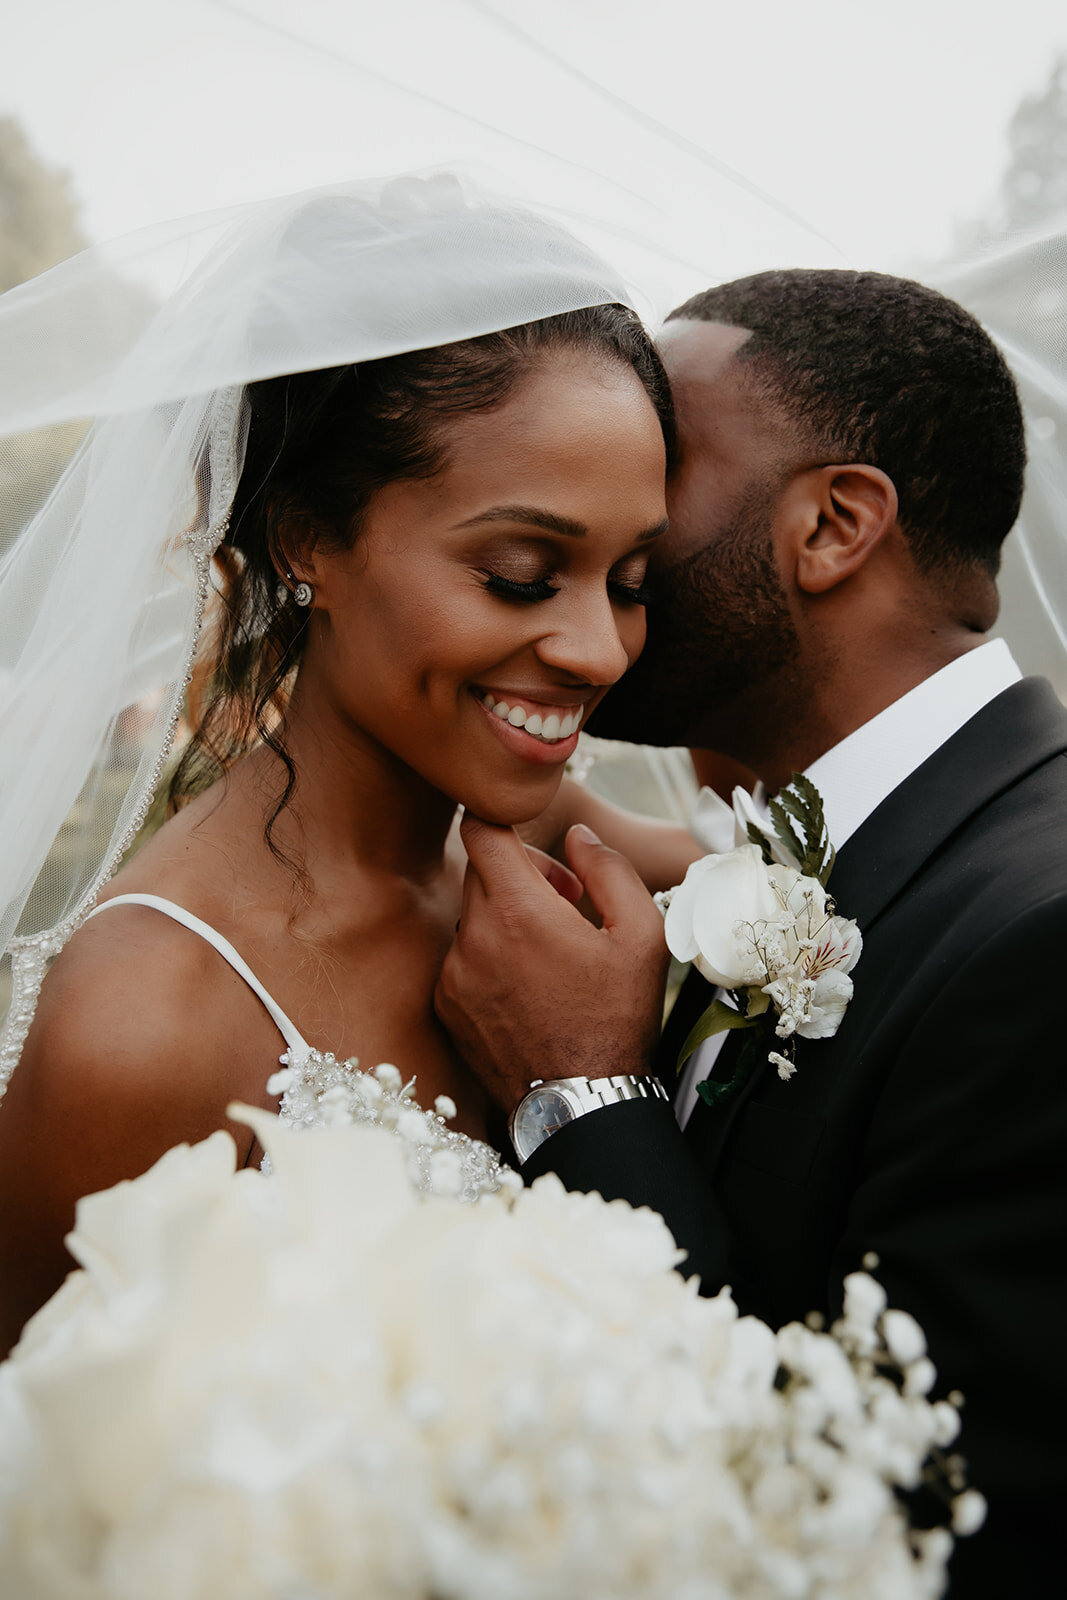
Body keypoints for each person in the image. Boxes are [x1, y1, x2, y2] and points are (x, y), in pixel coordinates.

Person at [434, 269, 1067, 1595]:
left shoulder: (1040, 936)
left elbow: (902, 1537)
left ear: (830, 525)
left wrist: (582, 1097)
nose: (617, 505)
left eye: (664, 467)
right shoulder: (862, 846)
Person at [0, 178, 707, 1354]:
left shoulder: (551, 845)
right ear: (304, 540)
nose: (596, 649)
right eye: (522, 573)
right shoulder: (140, 1031)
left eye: (631, 582)